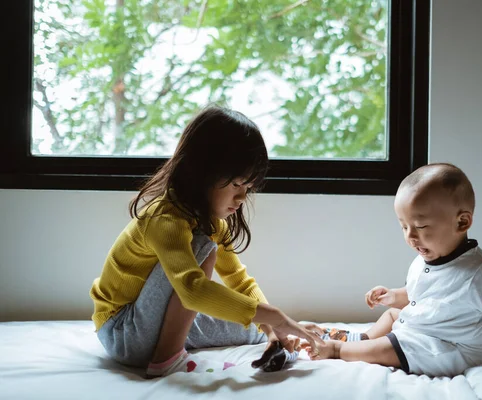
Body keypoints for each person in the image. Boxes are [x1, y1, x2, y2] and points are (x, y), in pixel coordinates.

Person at [90, 105, 322, 378]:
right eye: (236, 185)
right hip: (122, 331)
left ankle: (280, 335)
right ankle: (166, 358)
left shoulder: (211, 223)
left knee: (252, 328)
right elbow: (193, 290)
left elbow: (239, 279)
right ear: (203, 172)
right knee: (204, 248)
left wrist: (274, 329)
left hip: (151, 324)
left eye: (248, 189)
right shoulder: (166, 219)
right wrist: (275, 315)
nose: (241, 198)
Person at [305, 163, 482, 391]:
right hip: (429, 328)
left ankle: (338, 350)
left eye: (421, 226)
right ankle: (364, 339)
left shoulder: (479, 272)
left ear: (461, 222)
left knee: (398, 345)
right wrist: (393, 296)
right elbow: (420, 296)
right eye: (404, 226)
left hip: (454, 346)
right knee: (394, 314)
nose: (410, 236)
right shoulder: (426, 258)